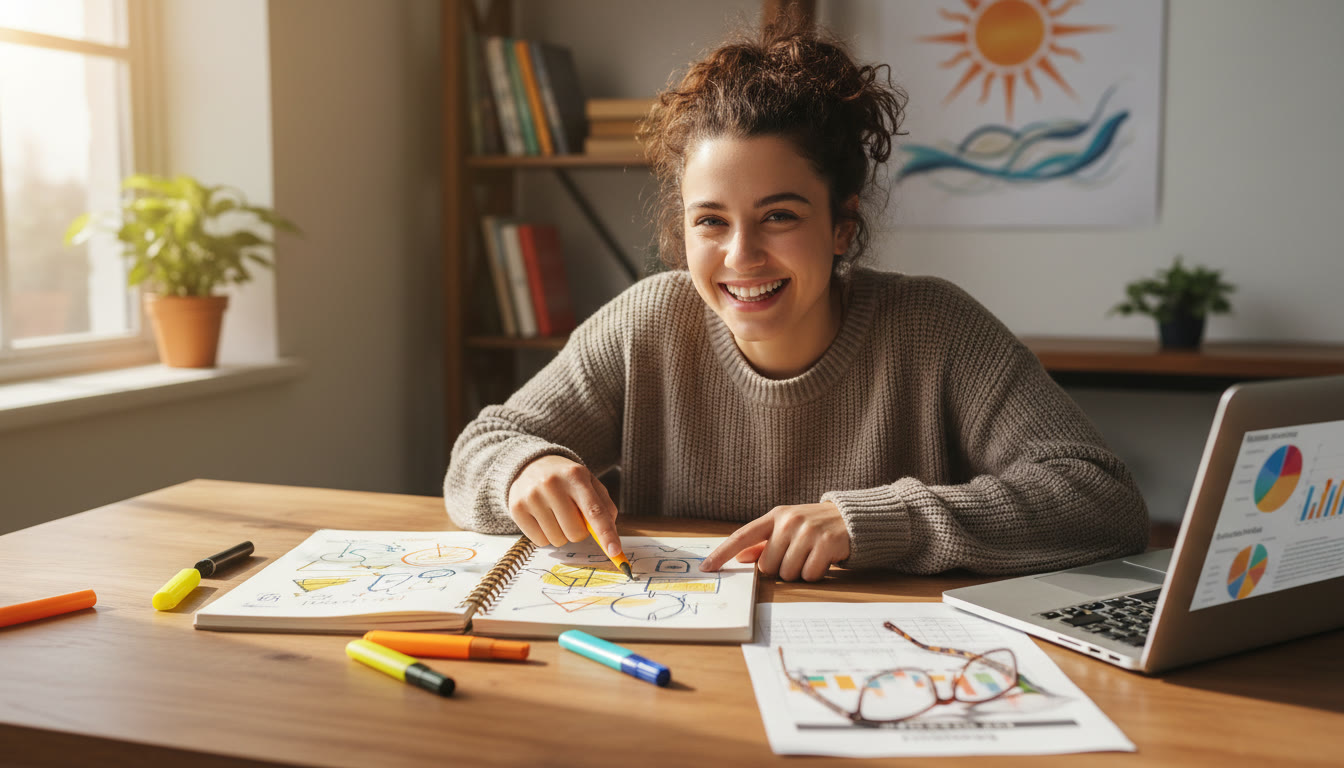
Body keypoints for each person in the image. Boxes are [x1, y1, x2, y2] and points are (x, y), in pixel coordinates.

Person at [444, 20, 1149, 582]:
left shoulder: (937, 328)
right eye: (710, 221)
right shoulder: (647, 321)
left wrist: (878, 521)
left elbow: (1102, 500)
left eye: (779, 216)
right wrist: (522, 471)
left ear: (841, 226)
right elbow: (480, 450)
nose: (742, 255)